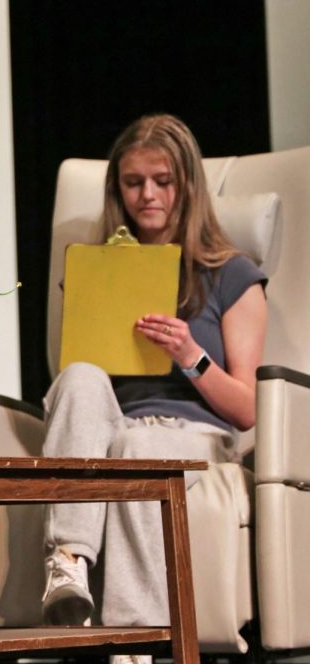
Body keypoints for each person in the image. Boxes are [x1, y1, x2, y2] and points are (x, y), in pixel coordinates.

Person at [40, 114, 267, 639]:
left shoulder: (233, 274)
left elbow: (246, 408)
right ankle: (69, 562)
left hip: (193, 436)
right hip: (116, 427)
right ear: (117, 188)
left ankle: (134, 643)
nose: (147, 195)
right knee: (77, 377)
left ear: (187, 185)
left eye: (162, 181)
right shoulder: (97, 267)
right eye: (133, 182)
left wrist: (189, 352)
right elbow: (78, 393)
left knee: (135, 452)